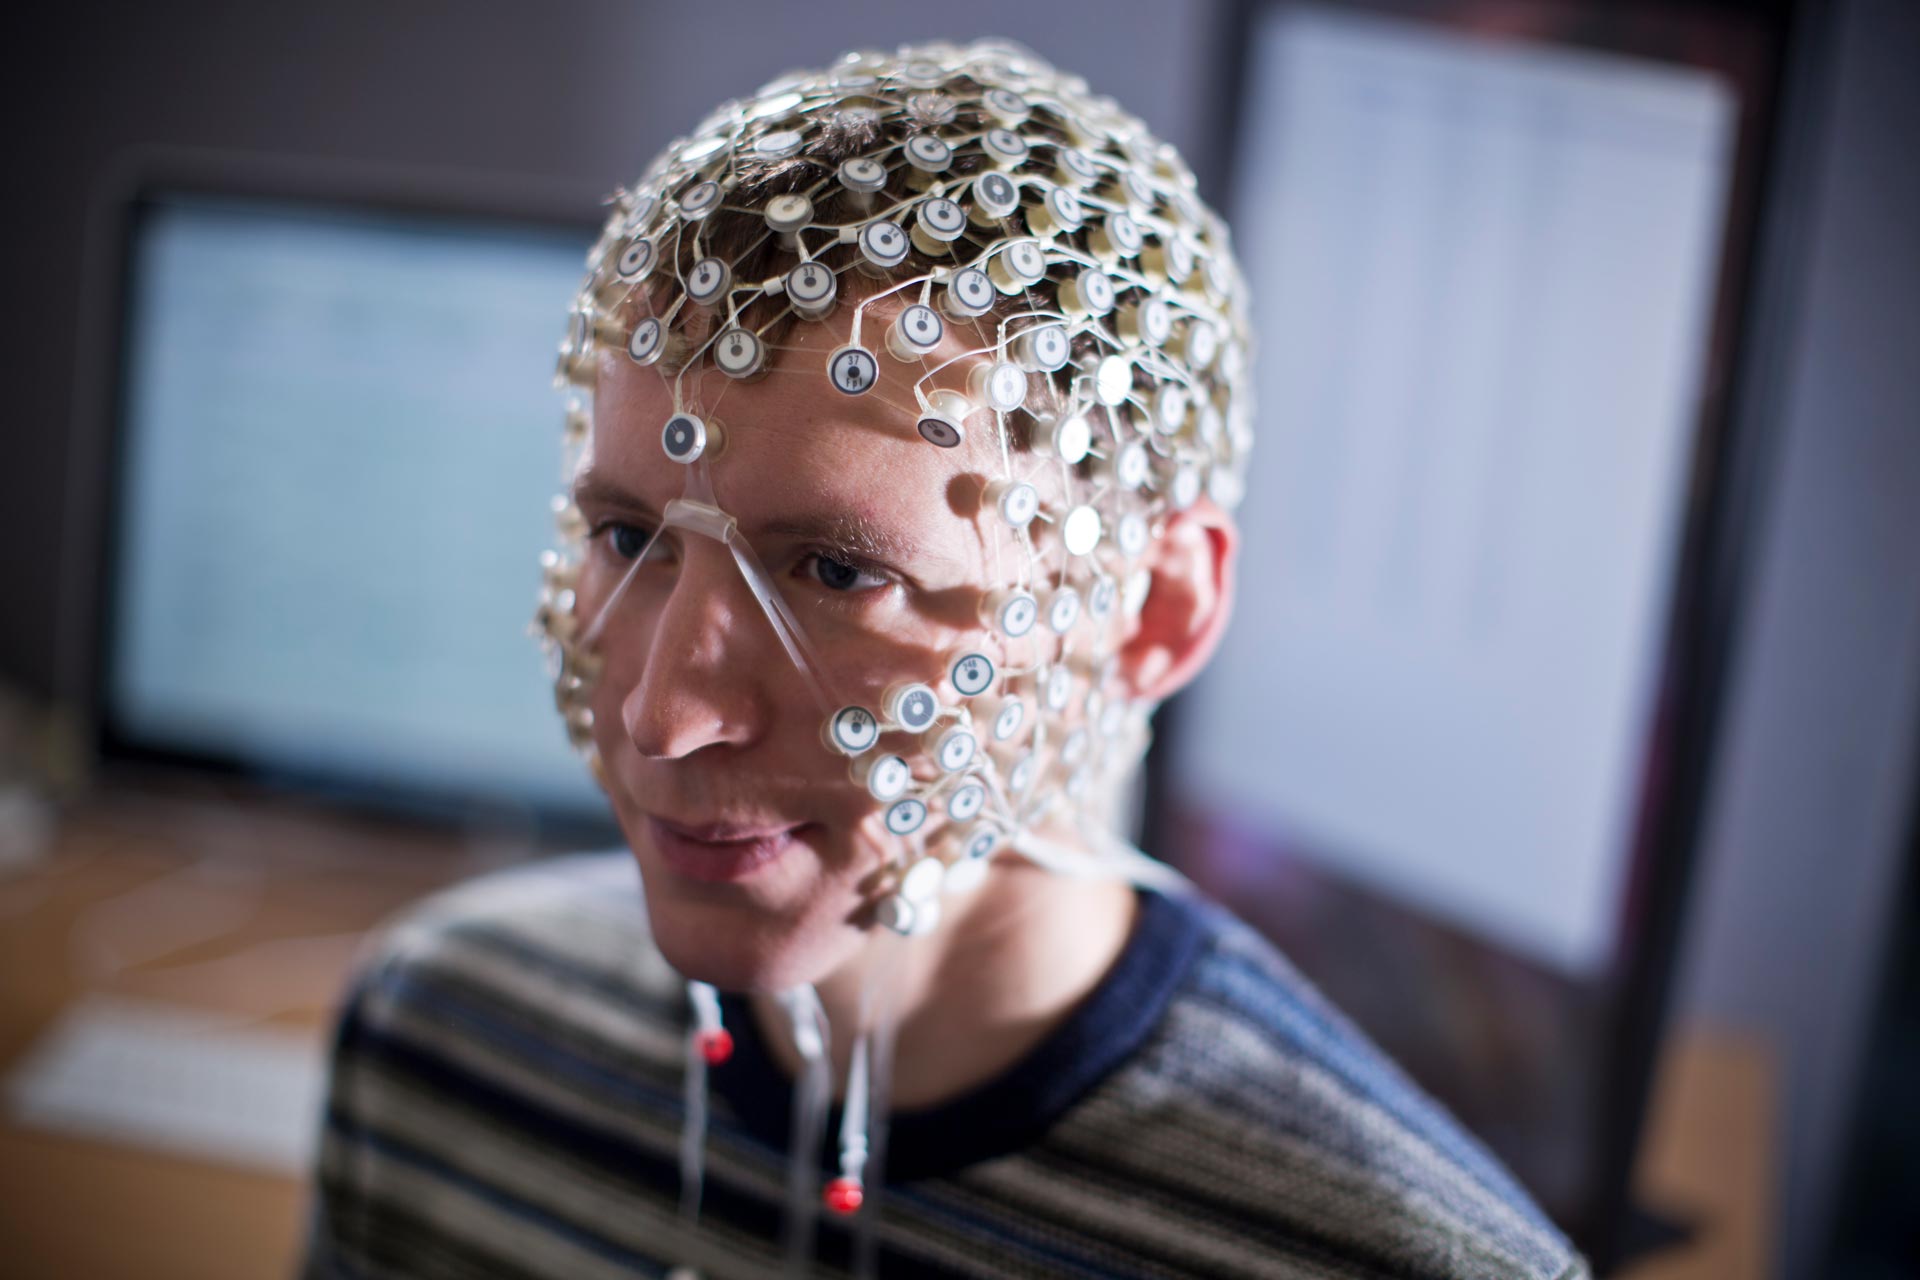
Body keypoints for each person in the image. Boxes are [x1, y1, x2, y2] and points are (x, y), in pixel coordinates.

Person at [303, 38, 1588, 1280]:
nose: (662, 713)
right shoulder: (446, 1038)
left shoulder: (1384, 1256)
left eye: (835, 570)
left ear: (1152, 610)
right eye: (628, 536)